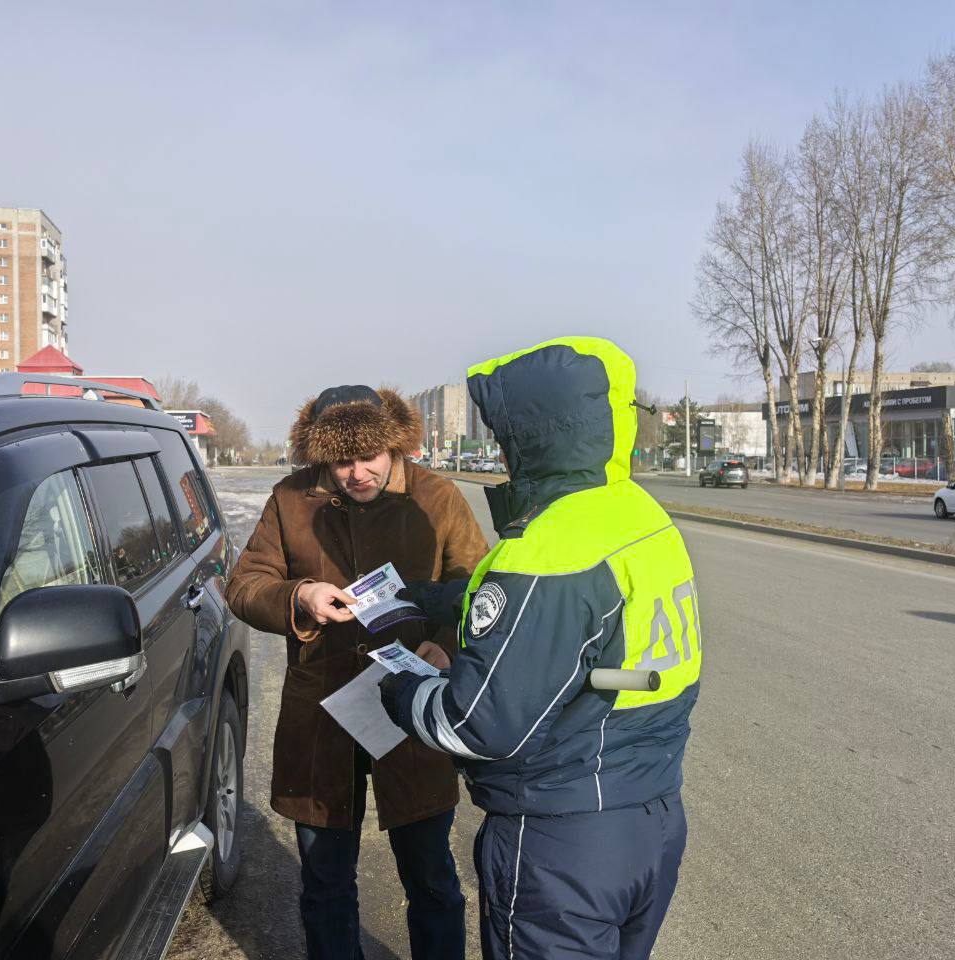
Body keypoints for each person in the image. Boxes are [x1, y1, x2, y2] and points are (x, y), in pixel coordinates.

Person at [380, 337, 703, 960]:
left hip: (561, 839)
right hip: (651, 816)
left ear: (533, 435)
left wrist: (401, 690)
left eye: (505, 434)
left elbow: (477, 726)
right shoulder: (638, 516)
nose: (500, 448)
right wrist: (430, 598)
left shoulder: (548, 547)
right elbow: (576, 622)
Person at [226, 384, 489, 960]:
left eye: (369, 456)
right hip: (321, 714)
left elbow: (478, 589)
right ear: (320, 456)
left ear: (393, 445)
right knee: (324, 883)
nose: (357, 472)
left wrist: (444, 645)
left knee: (431, 879)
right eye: (341, 461)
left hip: (413, 708)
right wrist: (301, 595)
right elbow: (244, 586)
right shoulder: (289, 500)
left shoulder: (436, 497)